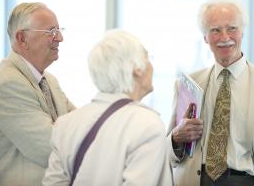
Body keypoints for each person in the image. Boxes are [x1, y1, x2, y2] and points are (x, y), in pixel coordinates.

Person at [167, 0, 254, 186]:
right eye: (215, 30)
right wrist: (176, 137)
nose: (224, 37)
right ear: (205, 37)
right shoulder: (186, 85)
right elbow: (168, 155)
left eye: (232, 28)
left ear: (243, 31)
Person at [42, 29, 173, 186]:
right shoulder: (147, 124)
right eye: (147, 58)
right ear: (136, 68)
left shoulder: (66, 124)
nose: (151, 65)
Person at [0, 2, 75, 186]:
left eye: (59, 30)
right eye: (51, 31)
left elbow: (78, 122)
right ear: (22, 38)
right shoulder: (7, 83)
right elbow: (50, 148)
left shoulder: (49, 80)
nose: (60, 38)